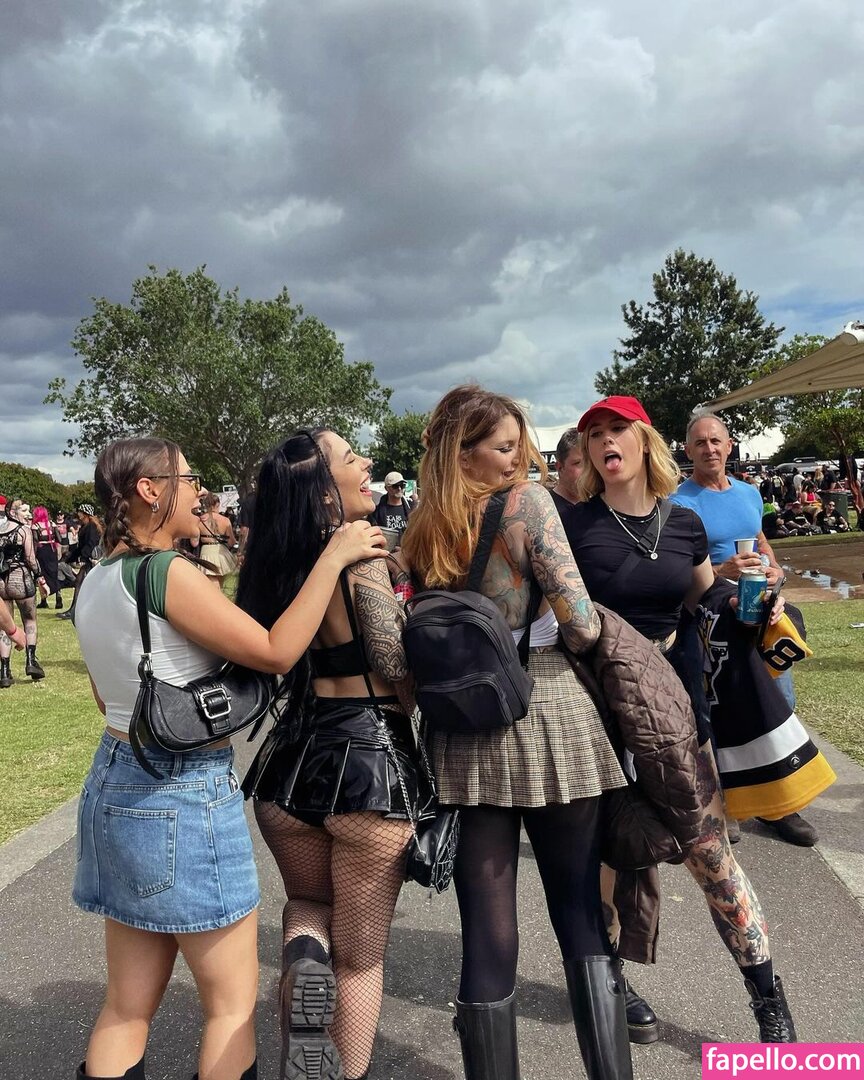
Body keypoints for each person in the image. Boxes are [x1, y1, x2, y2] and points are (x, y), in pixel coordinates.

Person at [71, 436, 384, 1080]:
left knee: (126, 1006)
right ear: (149, 490)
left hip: (114, 777)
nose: (200, 492)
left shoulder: (95, 579)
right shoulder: (166, 573)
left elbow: (108, 696)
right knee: (230, 1008)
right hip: (183, 791)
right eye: (188, 480)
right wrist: (334, 556)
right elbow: (273, 651)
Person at [400, 385, 632, 1080]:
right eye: (504, 447)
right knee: (579, 911)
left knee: (486, 930)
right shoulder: (529, 504)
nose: (519, 459)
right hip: (547, 709)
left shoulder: (421, 523)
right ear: (462, 453)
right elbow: (581, 623)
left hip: (463, 731)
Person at [564, 395, 797, 1044]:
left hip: (673, 710)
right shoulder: (574, 527)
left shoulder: (685, 522)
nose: (605, 441)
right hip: (599, 712)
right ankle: (612, 980)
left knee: (712, 857)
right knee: (609, 859)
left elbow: (704, 597)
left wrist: (753, 600)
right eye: (594, 434)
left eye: (617, 429)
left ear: (643, 441)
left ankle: (768, 1001)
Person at [237, 430, 428, 1080]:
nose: (367, 462)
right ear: (324, 492)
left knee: (308, 906)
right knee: (361, 960)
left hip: (290, 768)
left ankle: (303, 963)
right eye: (352, 458)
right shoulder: (361, 555)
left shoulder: (273, 561)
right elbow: (392, 660)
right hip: (372, 767)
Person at [670, 411, 817, 847]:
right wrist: (722, 570)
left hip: (759, 611)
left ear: (729, 445)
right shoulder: (679, 503)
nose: (709, 449)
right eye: (700, 442)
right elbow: (678, 571)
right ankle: (726, 803)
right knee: (714, 709)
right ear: (688, 450)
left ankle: (778, 804)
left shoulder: (749, 493)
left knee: (778, 700)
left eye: (716, 440)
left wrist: (776, 572)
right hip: (710, 616)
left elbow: (762, 541)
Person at [0, 493, 47, 686]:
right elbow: (30, 559)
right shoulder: (23, 530)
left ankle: (4, 671)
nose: (28, 514)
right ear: (13, 512)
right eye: (24, 510)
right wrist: (41, 578)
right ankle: (31, 662)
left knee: (5, 625)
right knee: (30, 620)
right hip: (21, 578)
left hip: (2, 581)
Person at [58, 504, 104, 621]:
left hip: (92, 560)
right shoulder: (86, 526)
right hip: (89, 559)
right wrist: (71, 558)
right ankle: (75, 610)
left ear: (85, 514)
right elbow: (81, 546)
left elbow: (90, 544)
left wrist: (82, 557)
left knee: (80, 583)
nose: (78, 514)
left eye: (80, 512)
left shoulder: (91, 527)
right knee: (80, 583)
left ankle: (75, 611)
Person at [197, 492, 239, 588]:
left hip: (206, 552)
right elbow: (231, 542)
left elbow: (194, 542)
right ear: (217, 504)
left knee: (211, 586)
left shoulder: (200, 520)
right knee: (220, 585)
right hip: (221, 553)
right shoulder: (225, 520)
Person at [32, 506, 64, 610]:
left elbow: (35, 542)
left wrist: (33, 555)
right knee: (54, 573)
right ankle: (58, 597)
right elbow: (59, 539)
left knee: (42, 575)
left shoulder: (35, 526)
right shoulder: (52, 524)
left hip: (41, 551)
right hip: (52, 550)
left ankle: (44, 600)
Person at [550, 426, 584, 516]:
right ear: (560, 468)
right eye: (578, 463)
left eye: (590, 463)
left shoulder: (601, 506)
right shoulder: (546, 509)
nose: (587, 470)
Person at [368, 471, 413, 536]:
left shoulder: (412, 509)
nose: (399, 488)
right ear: (386, 488)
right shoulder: (376, 513)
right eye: (395, 486)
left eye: (402, 485)